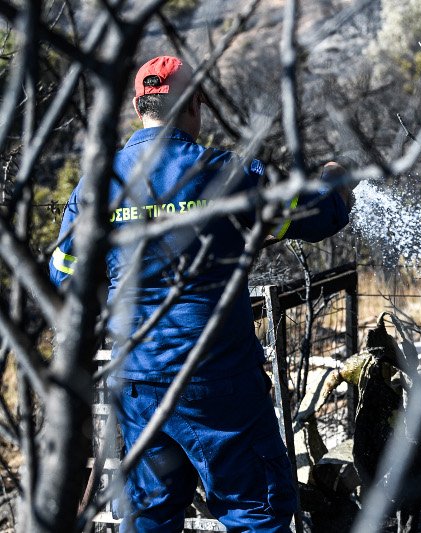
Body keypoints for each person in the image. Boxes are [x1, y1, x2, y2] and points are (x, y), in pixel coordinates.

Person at [49, 56, 352, 532]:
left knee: (149, 517)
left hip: (139, 381)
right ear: (193, 104)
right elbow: (317, 215)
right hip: (216, 381)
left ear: (138, 107)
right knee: (257, 511)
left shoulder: (97, 187)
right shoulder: (224, 174)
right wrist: (335, 184)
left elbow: (63, 273)